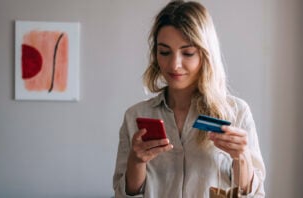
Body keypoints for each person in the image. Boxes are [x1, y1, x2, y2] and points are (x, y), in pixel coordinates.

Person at [113, 1, 265, 197]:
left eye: (188, 53)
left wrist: (242, 157)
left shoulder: (237, 113)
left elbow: (256, 195)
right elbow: (122, 195)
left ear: (205, 54)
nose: (175, 64)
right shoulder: (135, 116)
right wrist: (136, 162)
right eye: (164, 52)